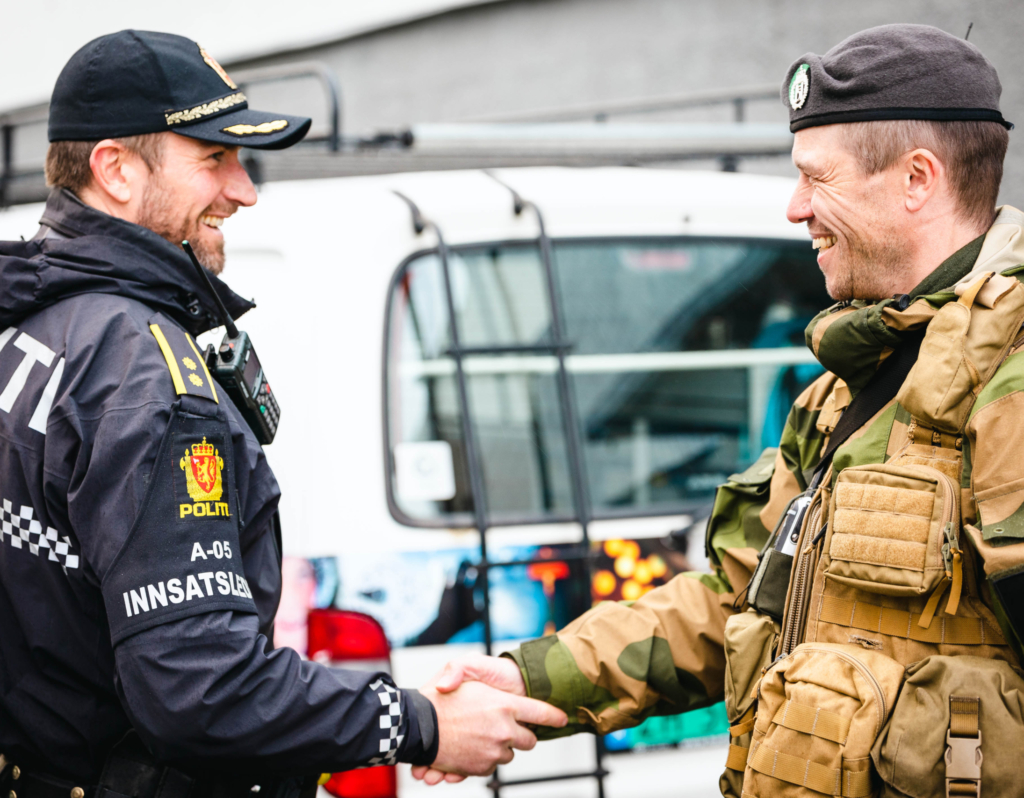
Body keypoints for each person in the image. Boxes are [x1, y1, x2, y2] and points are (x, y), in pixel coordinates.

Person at [420, 23, 1024, 795]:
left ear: (916, 179)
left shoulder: (1008, 380)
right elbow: (731, 599)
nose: (795, 208)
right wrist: (529, 679)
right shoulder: (850, 383)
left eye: (818, 178)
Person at [0, 29, 566, 798]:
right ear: (116, 170)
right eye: (212, 159)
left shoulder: (33, 319)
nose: (245, 189)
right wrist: (422, 722)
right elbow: (200, 689)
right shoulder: (144, 374)